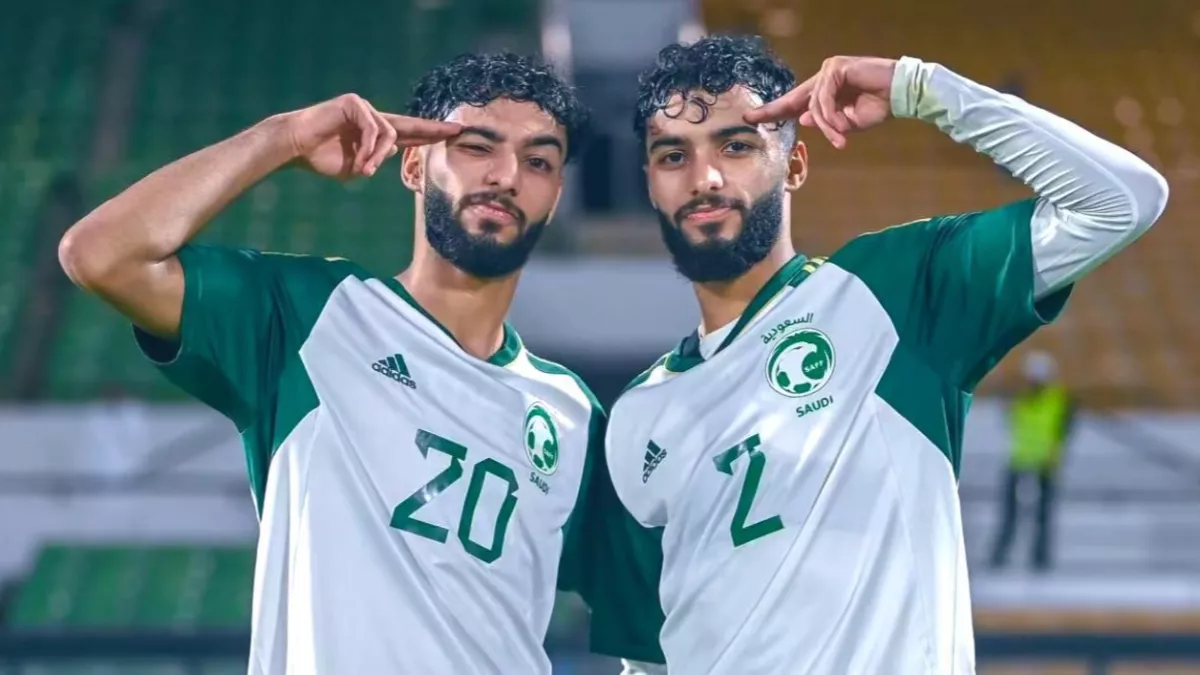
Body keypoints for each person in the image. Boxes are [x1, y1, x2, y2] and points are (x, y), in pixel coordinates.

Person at [583, 36, 1168, 674]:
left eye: (737, 145)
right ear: (651, 183)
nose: (705, 179)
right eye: (674, 155)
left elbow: (1121, 201)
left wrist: (920, 87)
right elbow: (647, 660)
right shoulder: (637, 417)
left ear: (795, 165)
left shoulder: (890, 291)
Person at [59, 53, 605, 674]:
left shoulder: (571, 413)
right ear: (414, 163)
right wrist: (284, 138)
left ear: (555, 197)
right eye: (477, 147)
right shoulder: (311, 315)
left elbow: (650, 619)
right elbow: (100, 254)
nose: (506, 176)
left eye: (539, 162)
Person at [989, 350, 1076, 571]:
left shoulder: (1058, 401)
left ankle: (1039, 559)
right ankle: (1001, 555)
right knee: (1010, 515)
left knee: (1042, 517)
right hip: (1019, 462)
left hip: (1044, 465)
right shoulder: (1021, 399)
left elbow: (1065, 429)